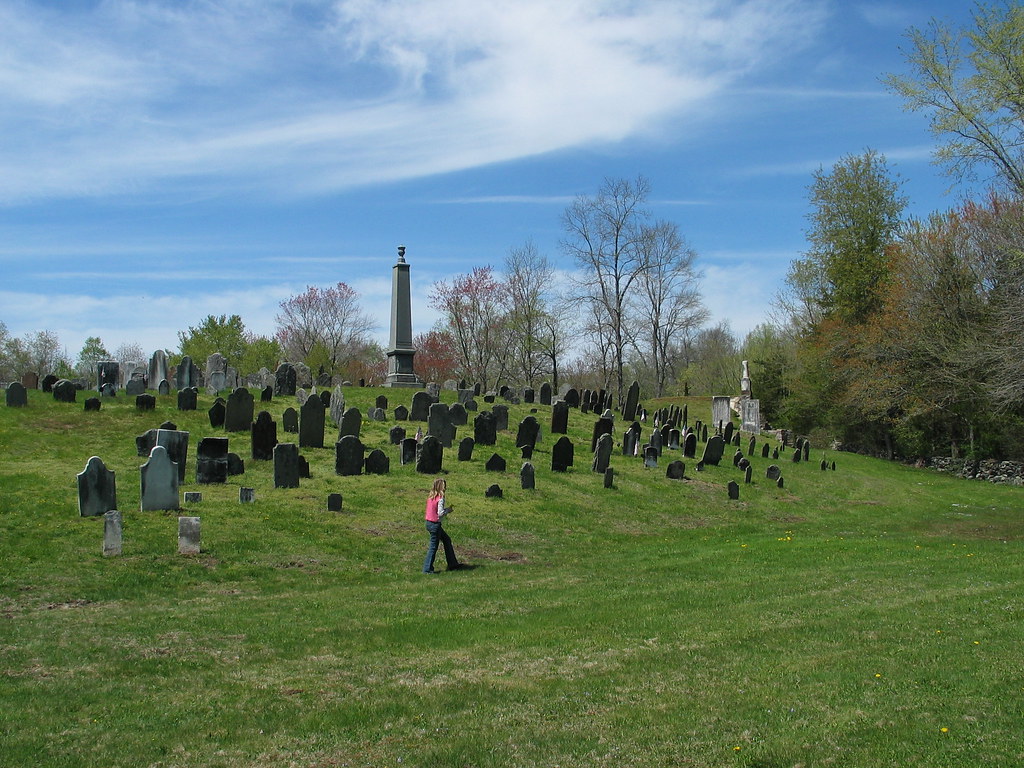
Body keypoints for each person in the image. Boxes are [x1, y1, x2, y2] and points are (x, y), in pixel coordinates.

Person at [423, 477, 466, 574]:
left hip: (429, 523)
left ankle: (453, 564)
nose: (445, 488)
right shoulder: (440, 498)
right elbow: (440, 513)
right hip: (435, 525)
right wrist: (448, 510)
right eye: (444, 486)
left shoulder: (431, 497)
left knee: (446, 540)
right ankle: (427, 569)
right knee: (433, 547)